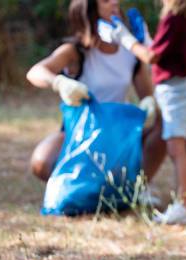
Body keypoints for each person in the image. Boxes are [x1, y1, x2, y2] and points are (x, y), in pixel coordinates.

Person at [26, 0, 166, 205]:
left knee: (164, 124)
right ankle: (81, 185)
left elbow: (148, 96)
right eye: (106, 0)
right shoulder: (76, 51)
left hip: (118, 133)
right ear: (89, 7)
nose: (115, 2)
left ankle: (137, 188)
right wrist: (59, 82)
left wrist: (149, 105)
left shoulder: (130, 52)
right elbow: (35, 72)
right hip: (80, 132)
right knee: (41, 162)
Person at [106, 0, 186, 225]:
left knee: (176, 149)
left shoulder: (172, 20)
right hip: (184, 86)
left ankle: (183, 204)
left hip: (174, 90)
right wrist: (146, 40)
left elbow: (151, 57)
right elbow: (180, 49)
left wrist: (126, 38)